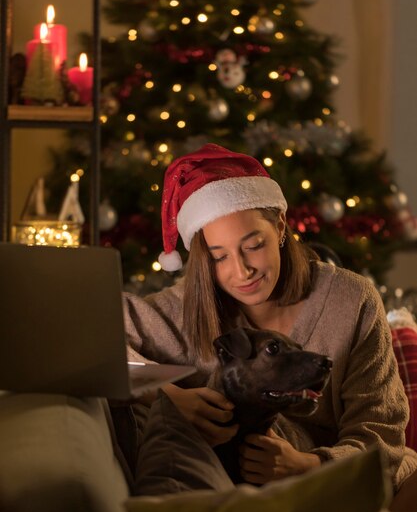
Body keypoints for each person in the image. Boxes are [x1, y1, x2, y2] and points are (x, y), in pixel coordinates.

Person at [123, 143, 417, 492]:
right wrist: (164, 395)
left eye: (253, 245)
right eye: (219, 257)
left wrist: (307, 466)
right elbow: (91, 340)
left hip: (341, 482)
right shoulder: (182, 311)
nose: (242, 270)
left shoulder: (350, 300)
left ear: (280, 227)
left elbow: (381, 434)